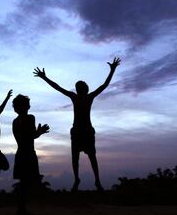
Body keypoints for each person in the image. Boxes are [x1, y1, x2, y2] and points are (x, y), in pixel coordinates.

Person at [33, 57, 121, 192]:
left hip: (85, 131)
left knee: (90, 157)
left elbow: (104, 85)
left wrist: (112, 70)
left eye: (82, 86)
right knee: (77, 158)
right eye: (80, 87)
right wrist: (45, 78)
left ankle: (96, 181)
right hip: (79, 131)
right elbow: (58, 87)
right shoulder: (77, 97)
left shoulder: (87, 97)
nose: (81, 88)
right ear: (80, 89)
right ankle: (79, 180)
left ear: (84, 88)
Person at [12, 94, 49, 215]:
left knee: (25, 182)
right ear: (25, 106)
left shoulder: (15, 121)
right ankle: (22, 208)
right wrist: (40, 132)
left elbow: (24, 137)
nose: (29, 106)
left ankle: (21, 209)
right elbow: (31, 136)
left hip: (20, 153)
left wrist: (38, 132)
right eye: (27, 104)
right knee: (30, 182)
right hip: (28, 153)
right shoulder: (30, 118)